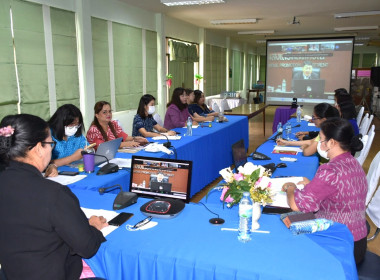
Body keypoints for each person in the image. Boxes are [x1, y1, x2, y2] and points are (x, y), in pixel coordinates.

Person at [0, 114, 108, 279]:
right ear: (38, 148)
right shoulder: (53, 194)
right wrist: (92, 227)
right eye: (51, 144)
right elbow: (87, 247)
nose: (52, 149)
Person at [281, 118, 367, 264]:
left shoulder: (330, 170)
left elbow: (297, 205)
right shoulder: (353, 162)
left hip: (338, 244)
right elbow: (338, 190)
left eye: (321, 139)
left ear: (332, 142)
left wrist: (291, 188)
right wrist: (313, 184)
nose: (319, 144)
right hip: (356, 240)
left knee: (284, 227)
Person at [45, 104, 88, 177]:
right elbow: (44, 162)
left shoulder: (77, 135)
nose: (75, 128)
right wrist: (73, 158)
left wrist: (89, 150)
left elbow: (87, 148)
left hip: (76, 172)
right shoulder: (48, 135)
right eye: (72, 124)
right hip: (56, 176)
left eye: (77, 124)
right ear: (60, 123)